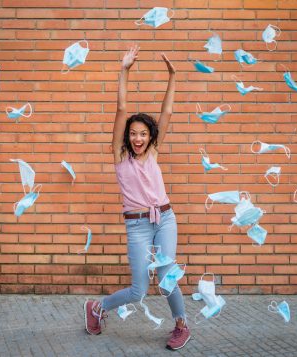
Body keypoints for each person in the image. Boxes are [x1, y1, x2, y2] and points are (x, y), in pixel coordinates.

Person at [83, 45, 191, 351]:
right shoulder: (119, 156)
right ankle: (97, 307)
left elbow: (167, 112)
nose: (138, 138)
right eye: (133, 133)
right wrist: (124, 70)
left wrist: (173, 77)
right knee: (139, 289)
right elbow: (120, 109)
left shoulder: (153, 151)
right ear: (127, 136)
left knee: (167, 276)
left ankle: (182, 325)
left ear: (150, 136)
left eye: (143, 133)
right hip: (138, 226)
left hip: (165, 219)